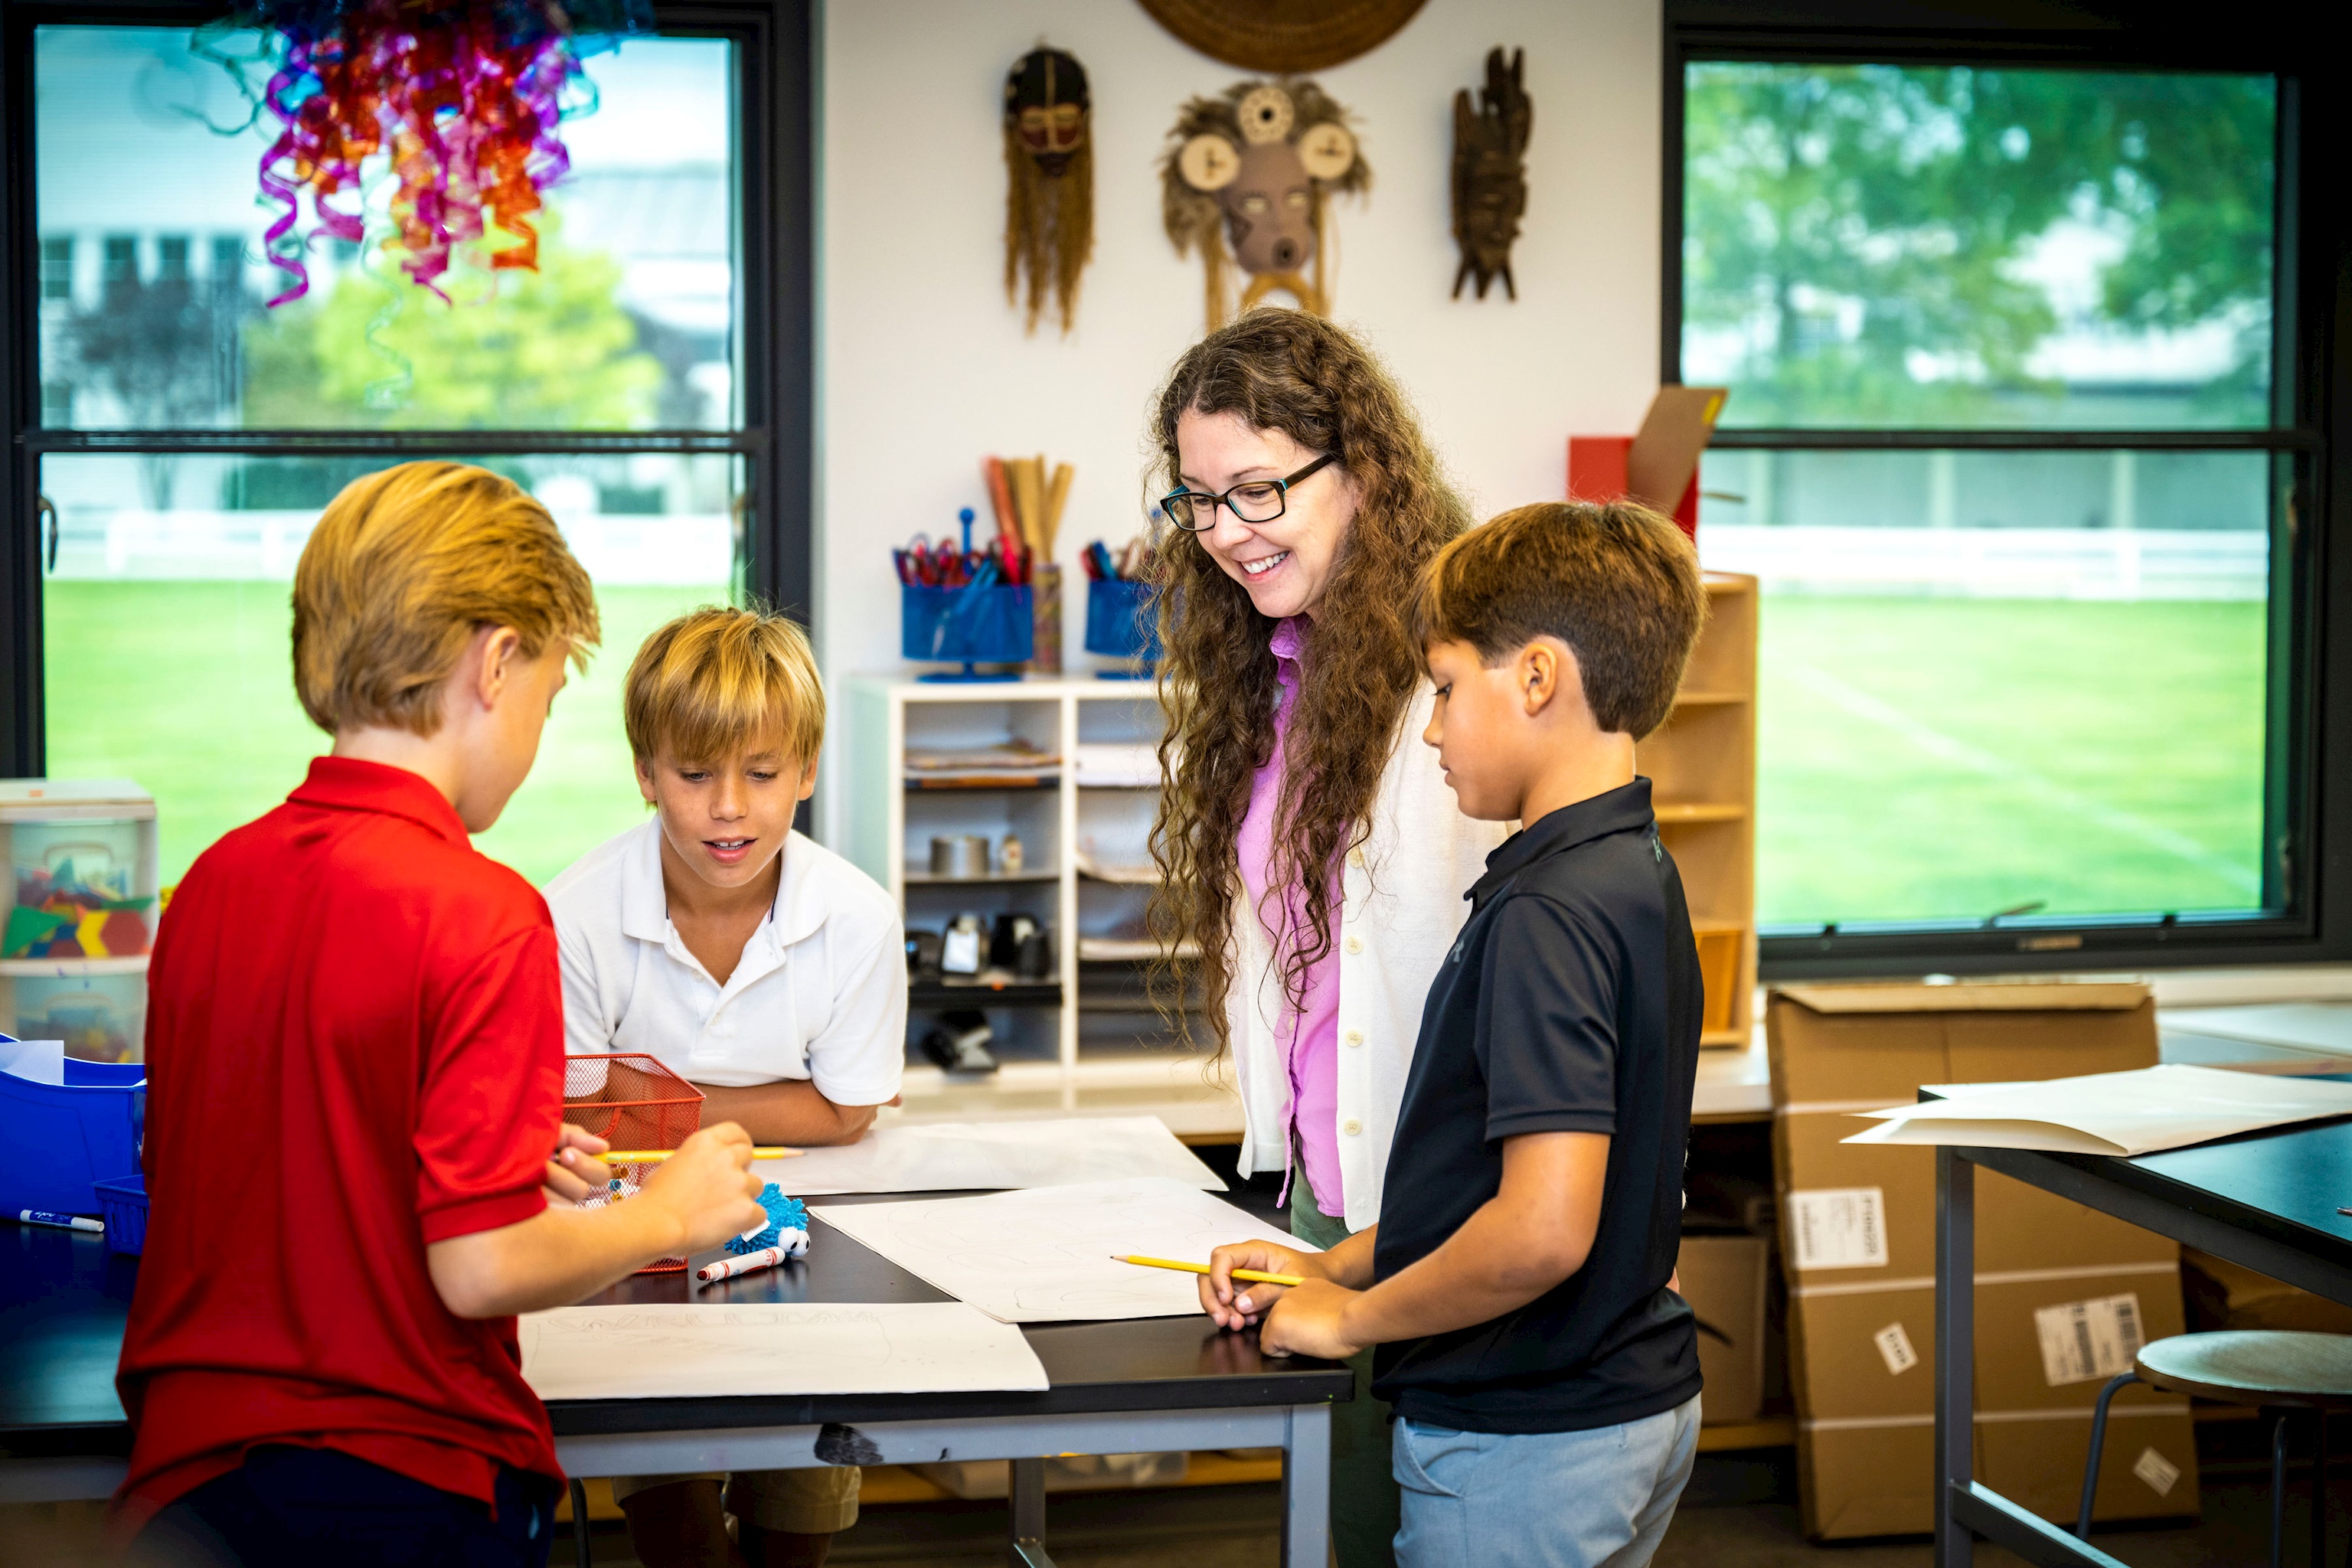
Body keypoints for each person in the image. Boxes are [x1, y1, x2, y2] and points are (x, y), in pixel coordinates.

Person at [116, 462, 767, 1568]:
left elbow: (212, 1158)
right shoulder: (484, 909)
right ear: (496, 663)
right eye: (551, 698)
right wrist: (670, 1214)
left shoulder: (212, 885)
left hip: (189, 1482)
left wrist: (495, 1147)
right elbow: (478, 1268)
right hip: (400, 1486)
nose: (538, 735)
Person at [1198, 500, 1711, 1568]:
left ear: (1534, 678)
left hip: (1526, 1444)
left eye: (1442, 688)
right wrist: (1333, 1266)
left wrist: (1350, 1321)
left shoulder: (1545, 917)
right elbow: (1497, 1191)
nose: (1429, 729)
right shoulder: (1633, 869)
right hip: (1628, 1408)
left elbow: (1539, 1231)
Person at [1145, 309, 1509, 1565]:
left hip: (1448, 1211)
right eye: (1195, 499)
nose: (1223, 532)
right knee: (1347, 1531)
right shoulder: (1270, 670)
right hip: (1321, 1194)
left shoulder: (1452, 685)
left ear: (1357, 468)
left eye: (1257, 489)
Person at [545, 605, 905, 1568]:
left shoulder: (858, 918)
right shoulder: (575, 915)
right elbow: (580, 1114)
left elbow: (846, 1111)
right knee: (676, 1526)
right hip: (639, 1241)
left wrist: (652, 1097)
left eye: (762, 772)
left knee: (798, 1512)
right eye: (695, 774)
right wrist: (779, 1099)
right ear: (646, 773)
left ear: (809, 771)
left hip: (813, 1244)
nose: (729, 808)